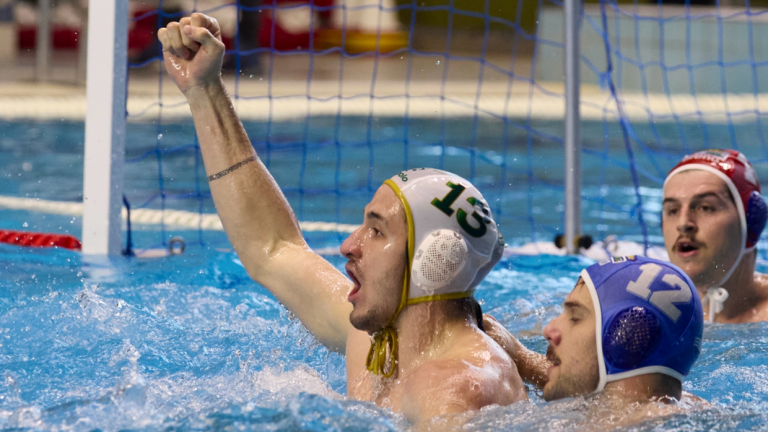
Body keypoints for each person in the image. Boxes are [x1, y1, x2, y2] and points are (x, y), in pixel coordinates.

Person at [156, 13, 527, 424]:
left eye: (377, 231)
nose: (349, 245)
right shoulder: (378, 336)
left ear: (434, 260)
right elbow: (274, 249)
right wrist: (204, 90)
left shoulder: (453, 388)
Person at [485, 256, 704, 428]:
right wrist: (520, 357)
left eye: (575, 318)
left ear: (626, 337)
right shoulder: (682, 408)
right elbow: (587, 379)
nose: (549, 330)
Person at [663, 149, 768, 323]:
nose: (683, 223)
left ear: (751, 220)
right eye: (673, 210)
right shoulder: (649, 308)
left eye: (705, 208)